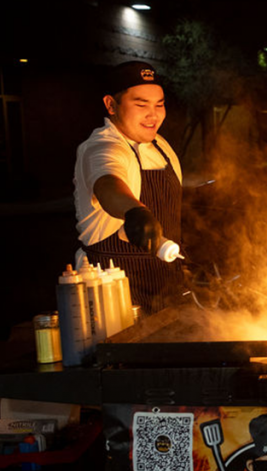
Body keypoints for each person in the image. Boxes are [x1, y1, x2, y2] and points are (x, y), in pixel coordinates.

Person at [73, 61, 185, 314]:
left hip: (166, 288)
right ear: (111, 105)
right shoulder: (102, 147)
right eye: (141, 104)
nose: (153, 115)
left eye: (159, 104)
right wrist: (134, 211)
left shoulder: (162, 146)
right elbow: (108, 185)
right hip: (112, 294)